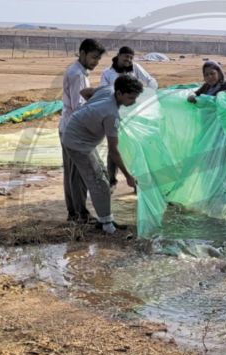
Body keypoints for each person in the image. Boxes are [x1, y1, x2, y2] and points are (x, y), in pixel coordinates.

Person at [61, 75, 143, 234]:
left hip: (79, 135)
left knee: (103, 176)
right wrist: (127, 175)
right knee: (99, 182)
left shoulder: (108, 89)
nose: (133, 102)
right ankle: (106, 225)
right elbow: (113, 151)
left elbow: (85, 92)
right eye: (130, 98)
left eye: (135, 98)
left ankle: (106, 219)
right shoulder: (111, 114)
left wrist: (89, 112)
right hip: (77, 143)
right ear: (119, 93)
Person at [59, 38, 105, 223]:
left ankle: (74, 213)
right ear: (83, 53)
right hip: (74, 131)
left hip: (68, 128)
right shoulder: (77, 74)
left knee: (72, 173)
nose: (95, 62)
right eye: (93, 57)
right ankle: (80, 214)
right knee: (79, 173)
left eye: (98, 59)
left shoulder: (78, 72)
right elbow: (78, 106)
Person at [100, 46, 157, 188]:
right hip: (116, 114)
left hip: (135, 115)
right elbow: (104, 92)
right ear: (118, 56)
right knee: (114, 147)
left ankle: (138, 181)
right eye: (126, 56)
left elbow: (151, 81)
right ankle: (112, 181)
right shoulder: (107, 73)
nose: (129, 60)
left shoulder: (135, 68)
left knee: (136, 147)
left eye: (131, 57)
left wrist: (145, 95)